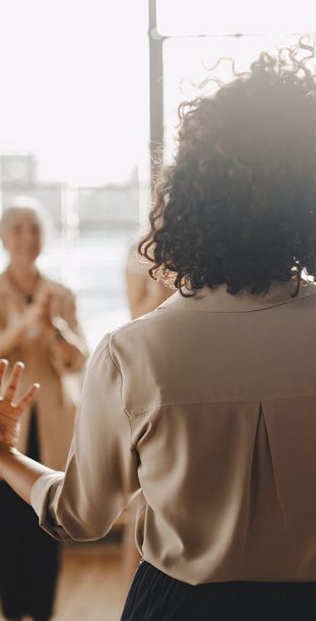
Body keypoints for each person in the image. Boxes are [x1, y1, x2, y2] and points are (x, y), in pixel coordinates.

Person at [0, 40, 316, 621]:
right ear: (315, 201)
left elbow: (79, 516)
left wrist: (6, 455)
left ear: (185, 204)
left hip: (179, 609)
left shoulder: (130, 354)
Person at [0, 202, 87, 621]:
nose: (26, 237)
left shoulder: (62, 295)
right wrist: (24, 322)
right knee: (6, 526)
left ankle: (43, 612)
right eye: (17, 228)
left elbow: (78, 359)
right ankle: (14, 611)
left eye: (33, 228)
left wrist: (54, 327)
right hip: (6, 422)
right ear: (4, 237)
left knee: (47, 517)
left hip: (50, 423)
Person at [121, 245, 176, 587]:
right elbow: (134, 318)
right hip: (153, 371)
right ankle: (135, 594)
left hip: (196, 364)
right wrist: (162, 289)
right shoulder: (140, 252)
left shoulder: (212, 239)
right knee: (144, 495)